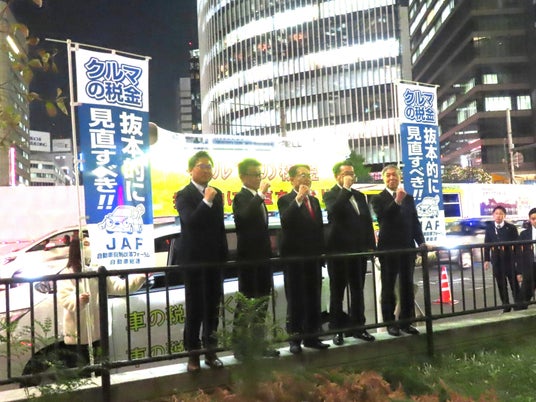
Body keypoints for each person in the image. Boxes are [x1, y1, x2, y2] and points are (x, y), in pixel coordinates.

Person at [173, 151, 228, 372]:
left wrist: (223, 255)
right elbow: (191, 222)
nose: (206, 170)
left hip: (214, 260)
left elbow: (219, 227)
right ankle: (193, 355)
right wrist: (206, 201)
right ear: (190, 170)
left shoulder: (217, 193)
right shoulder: (183, 195)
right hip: (194, 262)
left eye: (209, 166)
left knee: (213, 309)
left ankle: (211, 352)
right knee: (195, 308)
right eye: (202, 166)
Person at [58, 239, 146, 370]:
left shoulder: (99, 269)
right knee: (81, 371)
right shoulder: (67, 274)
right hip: (78, 335)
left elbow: (119, 287)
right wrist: (80, 300)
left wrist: (140, 277)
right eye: (86, 245)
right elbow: (65, 299)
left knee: (101, 369)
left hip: (99, 331)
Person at [277, 164, 329, 354]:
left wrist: (321, 253)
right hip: (294, 259)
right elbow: (286, 220)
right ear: (291, 179)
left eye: (308, 175)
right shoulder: (285, 200)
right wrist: (298, 198)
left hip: (313, 258)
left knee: (313, 298)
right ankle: (295, 339)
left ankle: (312, 337)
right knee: (295, 299)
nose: (306, 178)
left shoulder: (314, 201)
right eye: (302, 175)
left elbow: (319, 228)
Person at [323, 161, 376, 345]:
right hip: (338, 252)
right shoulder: (330, 194)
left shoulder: (359, 196)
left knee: (357, 291)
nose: (350, 177)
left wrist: (371, 245)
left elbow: (366, 222)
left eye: (352, 174)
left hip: (358, 252)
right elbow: (334, 212)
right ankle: (337, 330)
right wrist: (345, 190)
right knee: (337, 292)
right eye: (346, 173)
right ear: (337, 176)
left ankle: (358, 327)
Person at [370, 164, 425, 337]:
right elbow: (384, 218)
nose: (392, 178)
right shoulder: (377, 198)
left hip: (407, 249)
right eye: (388, 175)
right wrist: (397, 201)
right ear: (383, 178)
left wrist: (421, 242)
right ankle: (390, 323)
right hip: (388, 250)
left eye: (395, 175)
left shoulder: (408, 198)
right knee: (388, 287)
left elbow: (414, 221)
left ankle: (406, 322)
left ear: (400, 177)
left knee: (407, 287)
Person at [232, 158, 279, 358]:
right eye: (255, 174)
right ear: (243, 176)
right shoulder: (240, 197)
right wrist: (260, 195)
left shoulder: (256, 198)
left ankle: (260, 345)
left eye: (260, 174)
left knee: (262, 302)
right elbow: (244, 217)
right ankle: (240, 346)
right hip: (248, 259)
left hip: (263, 257)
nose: (259, 178)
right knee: (246, 303)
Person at [484, 205, 521, 312]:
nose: (498, 216)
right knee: (501, 284)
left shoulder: (511, 228)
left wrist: (518, 259)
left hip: (509, 259)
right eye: (496, 213)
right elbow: (487, 244)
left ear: (504, 215)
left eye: (501, 214)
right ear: (493, 215)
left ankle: (518, 304)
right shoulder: (489, 228)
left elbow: (517, 245)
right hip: (496, 260)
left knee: (514, 283)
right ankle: (506, 305)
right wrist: (486, 260)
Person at [518, 208, 536, 306]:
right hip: (530, 267)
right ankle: (520, 311)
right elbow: (520, 254)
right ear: (529, 219)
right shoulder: (524, 234)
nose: (535, 221)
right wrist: (519, 271)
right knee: (524, 296)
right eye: (533, 219)